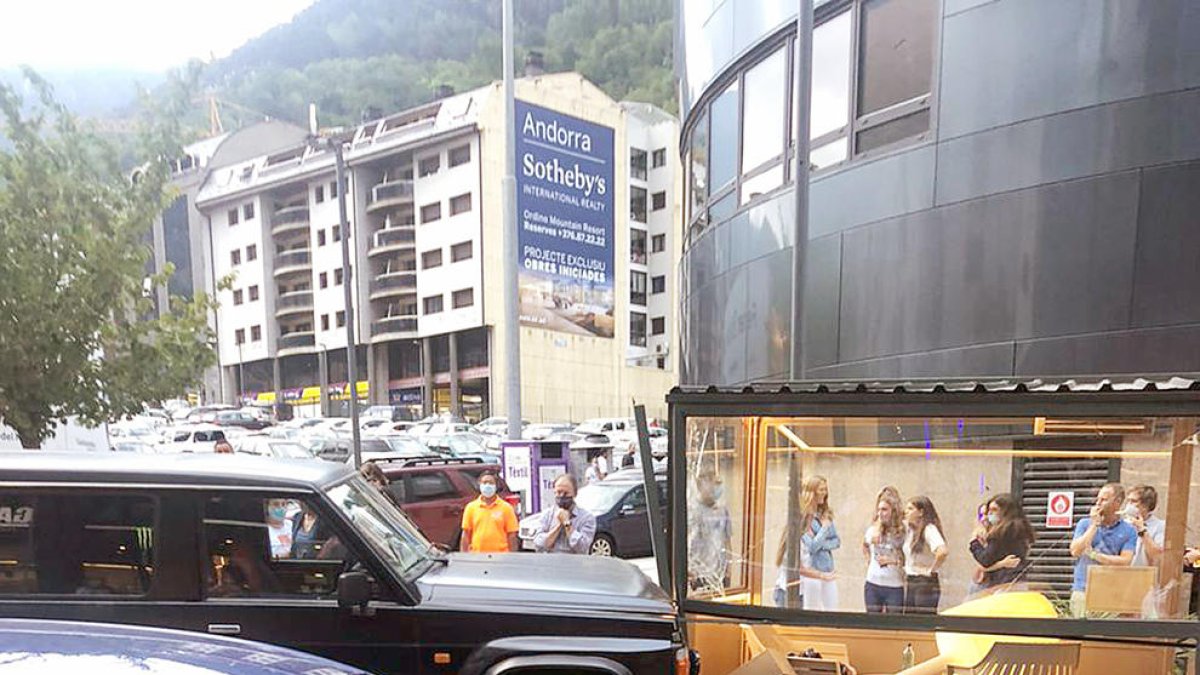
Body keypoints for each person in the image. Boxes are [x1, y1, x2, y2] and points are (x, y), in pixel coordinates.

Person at [1068, 482, 1137, 617]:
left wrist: (1095, 555)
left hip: (1110, 591)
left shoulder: (1128, 530)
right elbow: (1075, 551)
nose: (1098, 503)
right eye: (1098, 499)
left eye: (1104, 500)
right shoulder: (1084, 524)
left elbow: (1125, 561)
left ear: (1117, 503)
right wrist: (1094, 525)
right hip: (1083, 589)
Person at [968, 493, 1034, 592]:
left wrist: (974, 542)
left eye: (994, 510)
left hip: (1003, 582)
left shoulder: (1002, 531)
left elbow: (985, 560)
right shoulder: (1019, 528)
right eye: (988, 511)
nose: (989, 514)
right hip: (1015, 580)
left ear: (1005, 511)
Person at [798, 475, 840, 610]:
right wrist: (824, 529)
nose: (824, 493)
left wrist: (822, 545)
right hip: (812, 571)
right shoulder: (804, 518)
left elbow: (836, 541)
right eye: (821, 490)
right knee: (812, 610)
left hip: (828, 569)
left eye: (825, 490)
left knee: (832, 610)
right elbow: (811, 547)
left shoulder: (825, 514)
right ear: (812, 492)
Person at [687, 468, 732, 592]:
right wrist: (689, 570)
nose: (715, 489)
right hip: (698, 575)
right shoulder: (693, 511)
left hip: (719, 574)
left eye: (717, 484)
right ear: (700, 486)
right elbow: (687, 543)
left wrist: (728, 569)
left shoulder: (723, 510)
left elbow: (727, 540)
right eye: (712, 484)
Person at [902, 495, 947, 614]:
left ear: (921, 512)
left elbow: (942, 551)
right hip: (911, 580)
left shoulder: (929, 529)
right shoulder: (911, 530)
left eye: (910, 509)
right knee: (910, 619)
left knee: (923, 619)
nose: (906, 512)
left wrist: (931, 570)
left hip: (924, 582)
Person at [863, 487, 905, 613]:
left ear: (893, 511)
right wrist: (869, 561)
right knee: (872, 621)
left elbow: (907, 558)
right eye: (879, 510)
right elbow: (864, 545)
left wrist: (892, 560)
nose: (880, 513)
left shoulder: (902, 532)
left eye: (884, 510)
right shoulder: (873, 530)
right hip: (873, 583)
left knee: (893, 622)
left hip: (894, 585)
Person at [532, 473, 596, 554]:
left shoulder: (587, 518)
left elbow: (582, 547)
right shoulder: (547, 515)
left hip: (574, 561)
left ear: (575, 493)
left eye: (566, 493)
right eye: (559, 492)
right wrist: (559, 525)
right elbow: (539, 544)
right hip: (551, 560)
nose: (562, 496)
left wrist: (567, 524)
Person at [460, 470, 519, 553]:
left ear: (496, 486)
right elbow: (466, 534)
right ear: (479, 484)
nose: (487, 485)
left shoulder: (506, 508)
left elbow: (512, 535)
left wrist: (512, 556)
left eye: (491, 483)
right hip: (477, 555)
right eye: (484, 482)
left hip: (500, 556)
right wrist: (463, 555)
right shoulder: (471, 508)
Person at [1123, 484, 1165, 568]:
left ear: (1146, 505)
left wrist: (1142, 530)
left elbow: (1157, 555)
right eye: (1128, 501)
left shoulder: (1160, 526)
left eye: (1133, 501)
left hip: (1146, 574)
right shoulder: (1123, 524)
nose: (1129, 505)